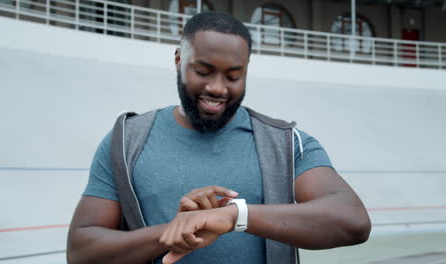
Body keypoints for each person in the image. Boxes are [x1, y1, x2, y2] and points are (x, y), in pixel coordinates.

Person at [67, 11, 371, 264]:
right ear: (178, 60)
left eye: (233, 76)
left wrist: (234, 216)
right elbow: (81, 251)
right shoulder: (126, 141)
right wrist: (174, 233)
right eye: (203, 70)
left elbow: (353, 221)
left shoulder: (287, 143)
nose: (217, 87)